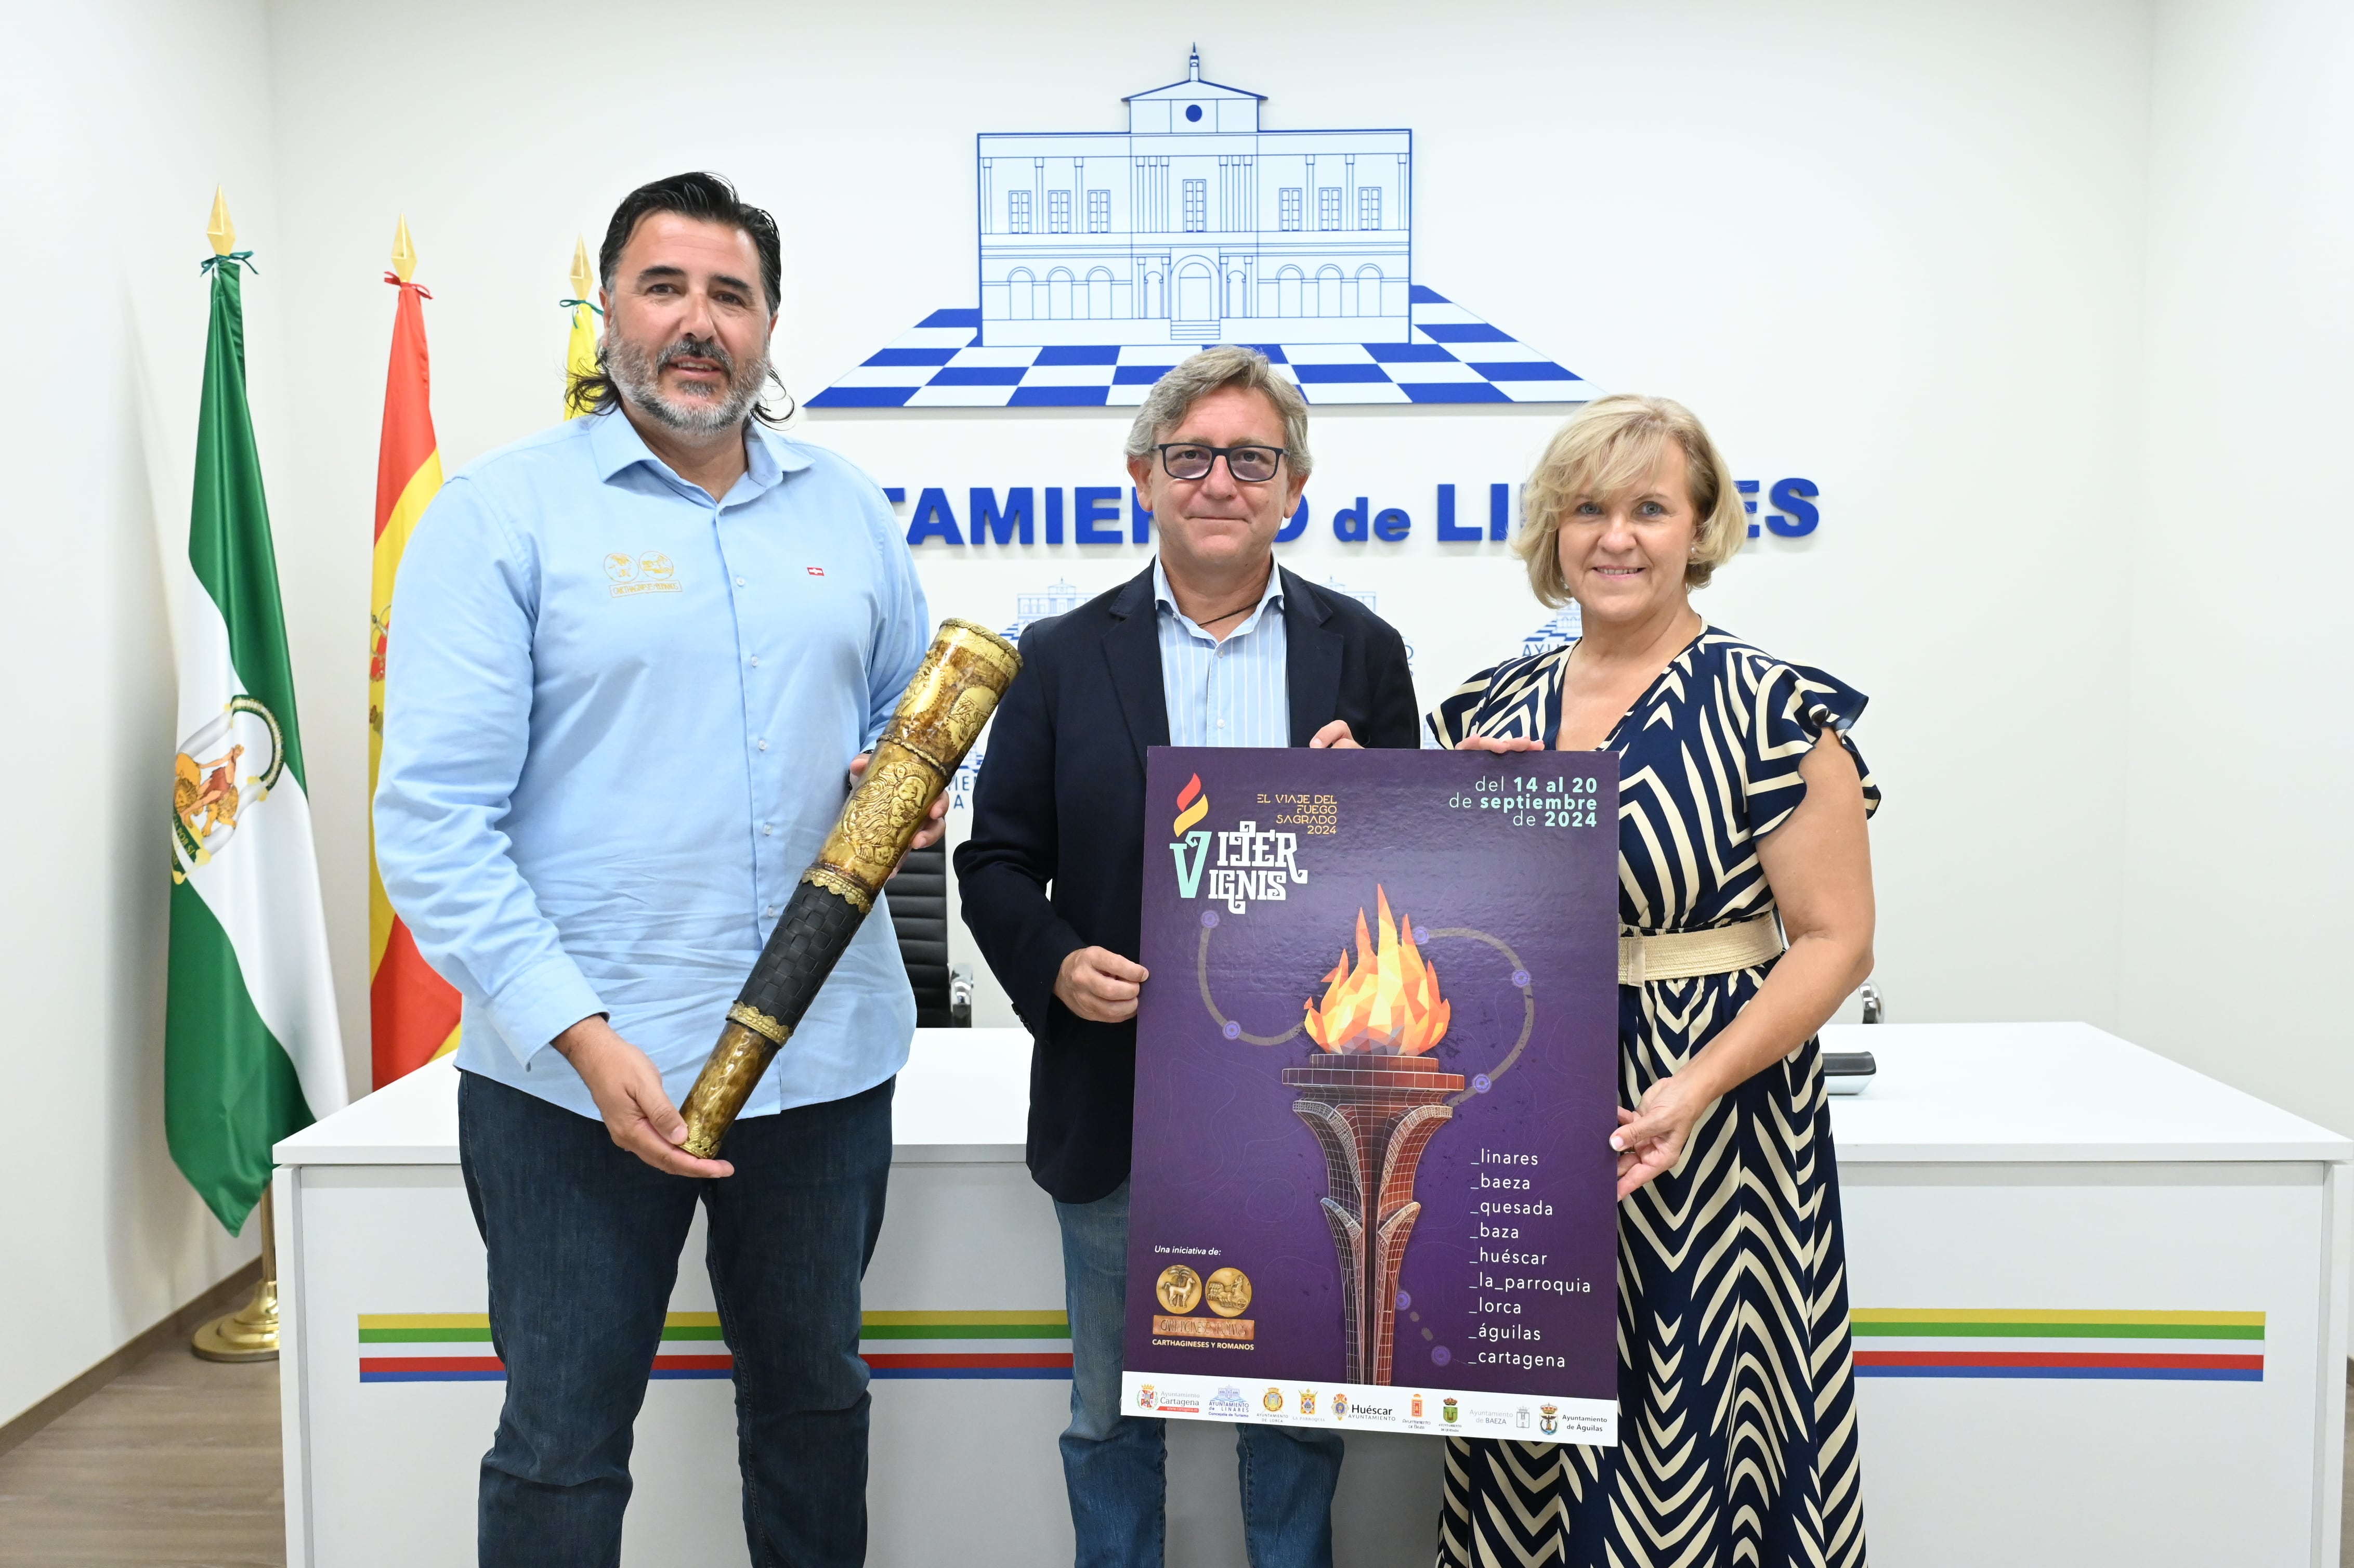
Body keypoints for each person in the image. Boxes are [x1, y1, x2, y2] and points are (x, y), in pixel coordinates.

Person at [374, 171, 941, 1568]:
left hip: (817, 1070)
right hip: (573, 1081)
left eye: (731, 296)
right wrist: (577, 1031)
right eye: (665, 288)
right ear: (610, 311)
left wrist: (917, 796)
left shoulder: (849, 513)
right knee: (563, 1446)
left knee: (816, 1410)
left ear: (769, 327)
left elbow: (911, 731)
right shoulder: (500, 517)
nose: (699, 323)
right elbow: (435, 821)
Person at [956, 346, 1421, 1568]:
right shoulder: (1058, 654)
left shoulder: (1361, 649)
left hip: (1303, 1096)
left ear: (1294, 487)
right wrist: (1055, 966)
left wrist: (1366, 805)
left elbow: (1413, 882)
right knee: (1107, 1416)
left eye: (1250, 458)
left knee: (1293, 1411)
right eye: (1191, 457)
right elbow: (994, 859)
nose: (1220, 479)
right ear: (1142, 478)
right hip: (1117, 1089)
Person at [1427, 394, 1877, 1567]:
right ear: (1552, 531)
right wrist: (1388, 810)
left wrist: (1694, 1085)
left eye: (1647, 508)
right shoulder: (1490, 707)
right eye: (1586, 509)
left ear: (1700, 527)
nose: (1614, 536)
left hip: (1708, 1112)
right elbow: (1443, 927)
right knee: (1534, 1405)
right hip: (1525, 1095)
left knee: (1694, 1413)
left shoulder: (1771, 708)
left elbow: (1835, 939)